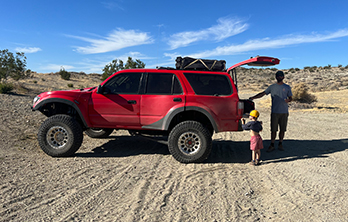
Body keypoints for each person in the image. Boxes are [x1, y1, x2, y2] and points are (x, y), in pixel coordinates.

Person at [249, 71, 292, 152]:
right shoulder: (272, 87)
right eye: (278, 76)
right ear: (276, 77)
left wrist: (288, 100)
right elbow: (263, 93)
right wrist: (253, 97)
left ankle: (280, 143)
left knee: (282, 129)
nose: (279, 77)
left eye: (281, 76)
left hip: (284, 112)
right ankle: (272, 144)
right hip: (275, 111)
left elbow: (291, 98)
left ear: (283, 77)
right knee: (273, 129)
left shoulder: (287, 87)